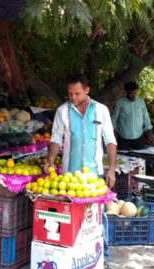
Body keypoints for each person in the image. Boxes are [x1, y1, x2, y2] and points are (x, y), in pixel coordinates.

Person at [45, 74, 117, 268]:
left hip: (95, 175)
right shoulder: (62, 111)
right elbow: (55, 138)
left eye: (77, 93)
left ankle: (103, 257)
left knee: (98, 216)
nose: (73, 97)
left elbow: (110, 141)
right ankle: (76, 257)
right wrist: (50, 160)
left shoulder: (101, 110)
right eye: (70, 93)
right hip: (70, 176)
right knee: (72, 217)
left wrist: (111, 169)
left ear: (87, 90)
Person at [111, 81, 153, 150]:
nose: (133, 95)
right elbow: (114, 118)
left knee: (140, 158)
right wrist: (113, 132)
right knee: (123, 158)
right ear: (126, 92)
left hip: (138, 135)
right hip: (123, 136)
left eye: (135, 93)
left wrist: (150, 130)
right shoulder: (119, 103)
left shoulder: (141, 102)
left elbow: (146, 117)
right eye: (131, 93)